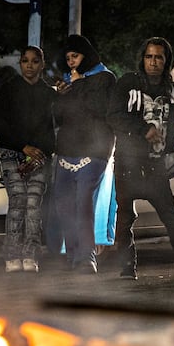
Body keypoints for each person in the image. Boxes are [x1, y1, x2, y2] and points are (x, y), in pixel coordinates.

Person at [106, 37, 174, 281]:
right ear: (142, 59)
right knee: (125, 217)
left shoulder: (170, 88)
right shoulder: (128, 83)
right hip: (128, 162)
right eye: (149, 56)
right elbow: (113, 116)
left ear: (166, 61)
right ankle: (127, 267)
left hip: (155, 164)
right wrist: (143, 129)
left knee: (171, 217)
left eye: (159, 57)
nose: (153, 62)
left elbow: (171, 123)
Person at [51, 35, 116, 274]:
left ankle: (87, 257)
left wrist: (78, 85)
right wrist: (60, 96)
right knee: (64, 204)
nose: (71, 61)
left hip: (94, 150)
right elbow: (60, 117)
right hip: (67, 150)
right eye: (68, 57)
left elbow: (100, 108)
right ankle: (73, 255)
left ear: (86, 56)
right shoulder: (69, 81)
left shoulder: (105, 78)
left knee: (83, 201)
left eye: (75, 56)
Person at [0, 45, 56, 273]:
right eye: (25, 61)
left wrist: (38, 151)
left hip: (39, 155)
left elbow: (52, 129)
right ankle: (12, 255)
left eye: (35, 61)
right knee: (18, 200)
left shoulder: (49, 93)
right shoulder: (8, 89)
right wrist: (23, 146)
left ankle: (31, 255)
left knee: (33, 204)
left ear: (42, 64)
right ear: (20, 63)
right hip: (11, 152)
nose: (29, 65)